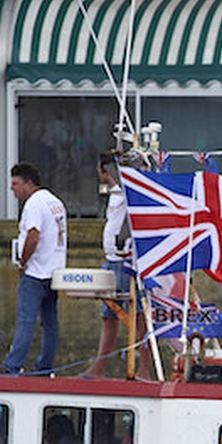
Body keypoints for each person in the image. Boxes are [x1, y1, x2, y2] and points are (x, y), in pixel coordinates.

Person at [4, 162, 68, 375]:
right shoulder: (55, 201)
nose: (12, 188)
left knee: (26, 321)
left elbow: (33, 236)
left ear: (28, 183)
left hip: (35, 271)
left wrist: (22, 262)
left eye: (15, 183)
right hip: (54, 272)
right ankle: (45, 366)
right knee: (50, 324)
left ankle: (12, 365)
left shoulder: (34, 204)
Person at [83, 154, 131, 379]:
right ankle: (99, 367)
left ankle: (140, 368)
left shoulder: (127, 191)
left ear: (104, 172)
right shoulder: (115, 195)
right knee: (108, 314)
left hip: (125, 259)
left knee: (138, 316)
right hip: (112, 259)